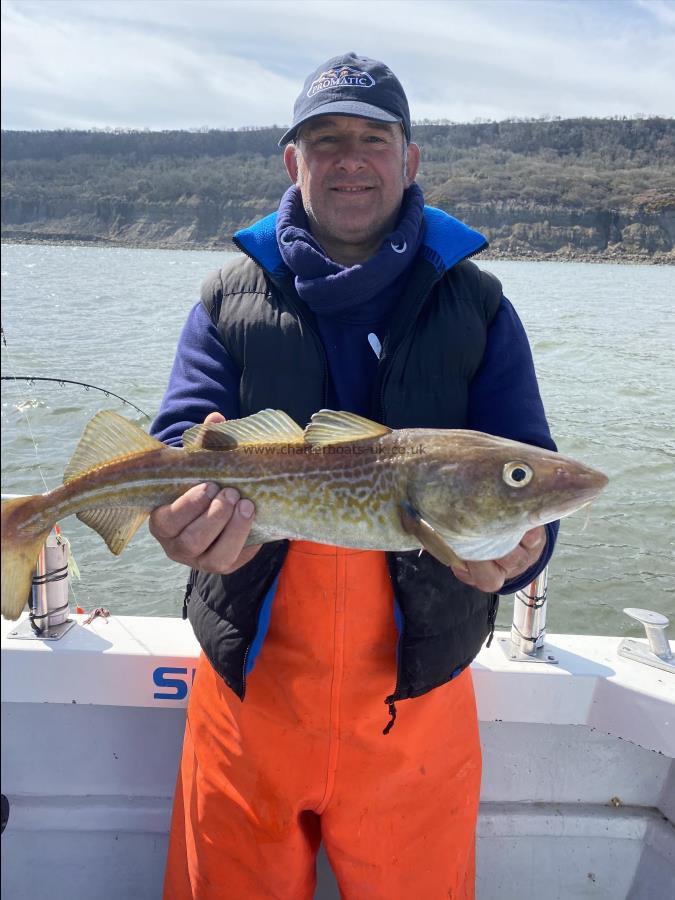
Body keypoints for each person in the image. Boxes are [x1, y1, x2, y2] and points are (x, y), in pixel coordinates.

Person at [150, 52, 558, 900]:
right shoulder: (229, 296)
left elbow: (528, 470)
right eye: (324, 138)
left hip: (416, 696)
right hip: (248, 687)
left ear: (409, 160)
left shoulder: (476, 305)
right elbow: (176, 443)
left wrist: (526, 549)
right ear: (291, 162)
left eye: (373, 138)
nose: (349, 158)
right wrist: (180, 519)